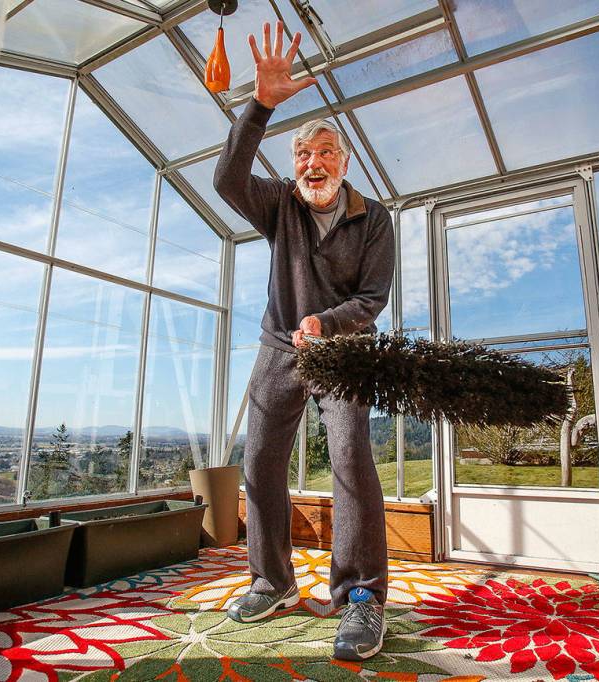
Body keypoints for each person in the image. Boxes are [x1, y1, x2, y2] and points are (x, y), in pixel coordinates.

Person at [213, 21, 395, 662]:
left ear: (344, 162)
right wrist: (260, 105)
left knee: (350, 460)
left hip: (344, 351)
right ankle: (273, 582)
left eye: (325, 153)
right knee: (260, 461)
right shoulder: (279, 204)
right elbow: (226, 179)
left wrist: (327, 324)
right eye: (303, 156)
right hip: (278, 347)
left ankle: (361, 596)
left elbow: (374, 298)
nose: (313, 164)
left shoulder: (374, 219)